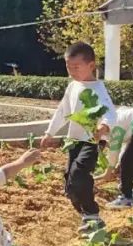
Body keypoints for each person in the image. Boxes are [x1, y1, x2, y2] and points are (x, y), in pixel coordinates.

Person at [39, 42, 116, 231]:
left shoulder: (98, 89)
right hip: (74, 140)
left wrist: (103, 126)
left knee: (80, 173)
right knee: (70, 181)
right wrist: (50, 132)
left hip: (92, 140)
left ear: (91, 66)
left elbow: (110, 112)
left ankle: (93, 216)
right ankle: (83, 213)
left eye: (76, 67)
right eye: (68, 67)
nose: (71, 71)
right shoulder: (72, 87)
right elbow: (62, 111)